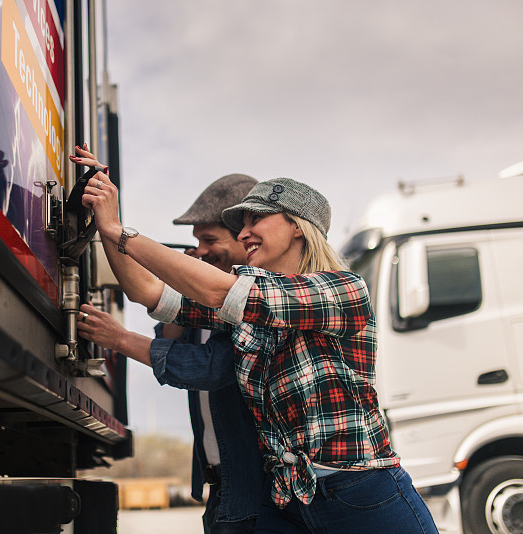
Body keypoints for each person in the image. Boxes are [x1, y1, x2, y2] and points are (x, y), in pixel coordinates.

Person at [69, 146, 438, 533]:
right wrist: (103, 212)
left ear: (298, 225)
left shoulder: (342, 290)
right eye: (241, 224)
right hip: (290, 495)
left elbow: (221, 294)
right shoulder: (249, 311)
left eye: (257, 219)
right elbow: (149, 292)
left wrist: (119, 230)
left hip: (361, 490)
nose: (244, 233)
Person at [77, 175, 265, 533]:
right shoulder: (211, 294)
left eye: (210, 240)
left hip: (252, 488)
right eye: (197, 242)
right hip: (222, 486)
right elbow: (156, 305)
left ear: (245, 238)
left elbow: (209, 367)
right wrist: (108, 228)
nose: (202, 250)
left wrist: (120, 339)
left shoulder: (257, 301)